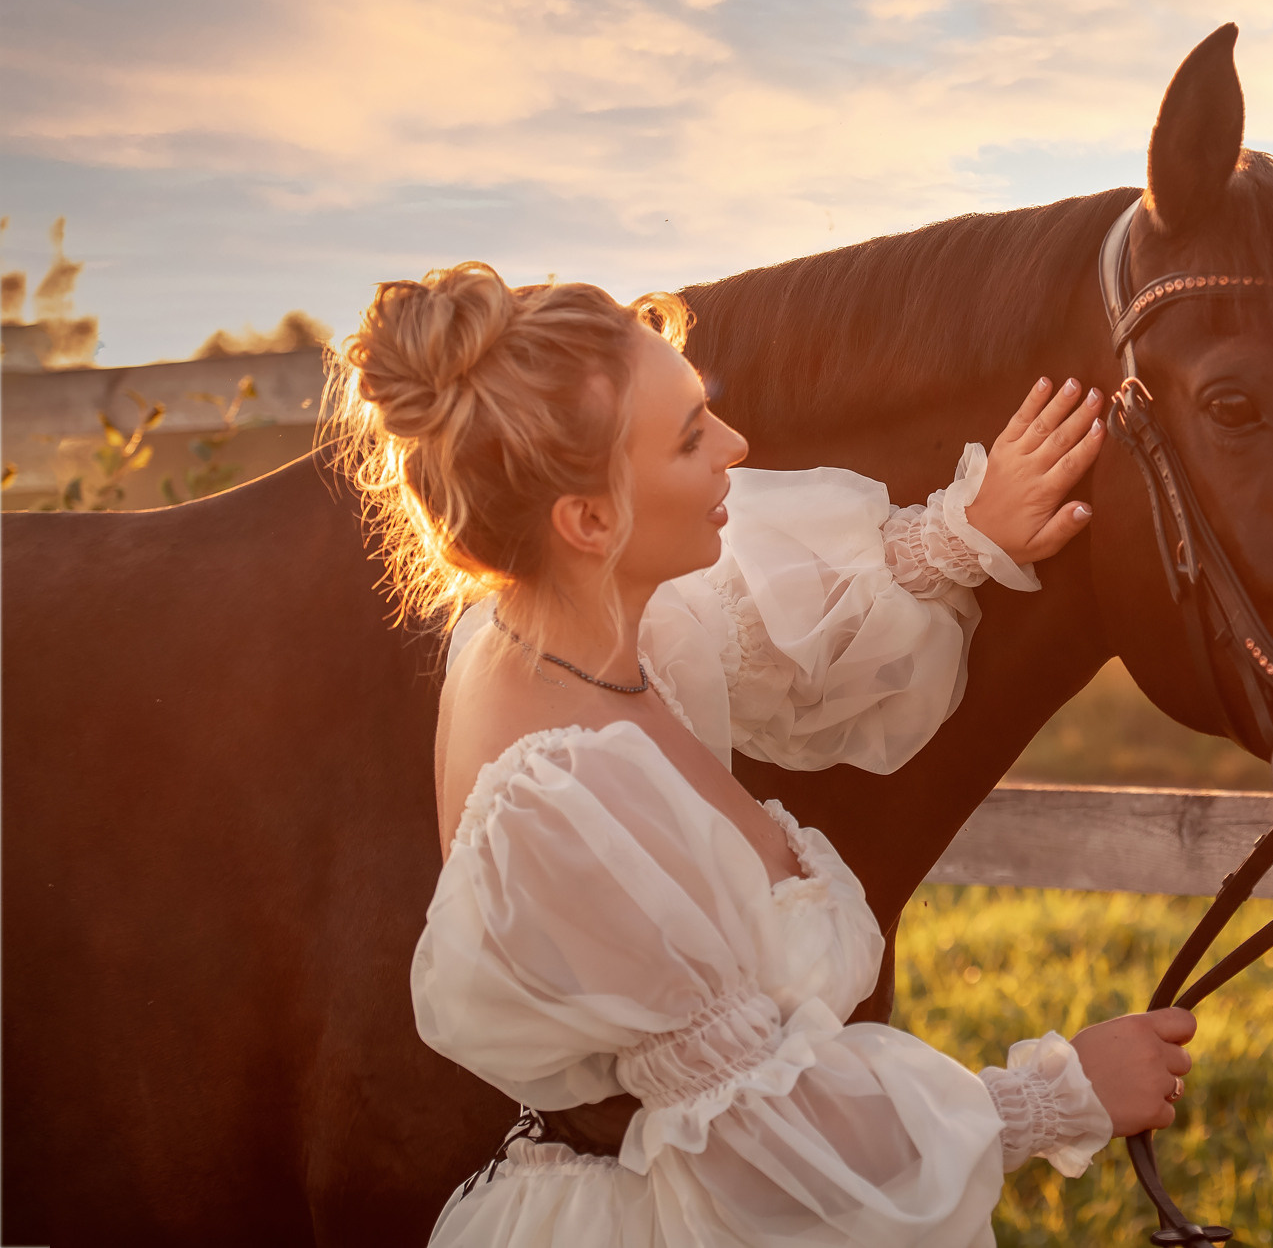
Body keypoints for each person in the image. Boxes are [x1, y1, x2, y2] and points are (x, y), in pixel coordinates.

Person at [329, 261, 1196, 1246]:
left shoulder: (575, 627)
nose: (734, 447)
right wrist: (1057, 1097)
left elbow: (761, 606)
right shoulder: (561, 803)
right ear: (590, 520)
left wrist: (959, 535)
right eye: (690, 436)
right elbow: (764, 1148)